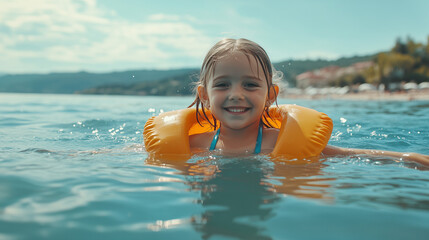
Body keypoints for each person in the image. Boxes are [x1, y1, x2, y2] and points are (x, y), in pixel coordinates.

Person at [188, 38, 429, 166]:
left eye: (250, 84)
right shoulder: (195, 143)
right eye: (222, 84)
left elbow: (348, 154)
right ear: (205, 95)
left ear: (270, 95)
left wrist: (405, 157)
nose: (236, 94)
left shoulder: (279, 140)